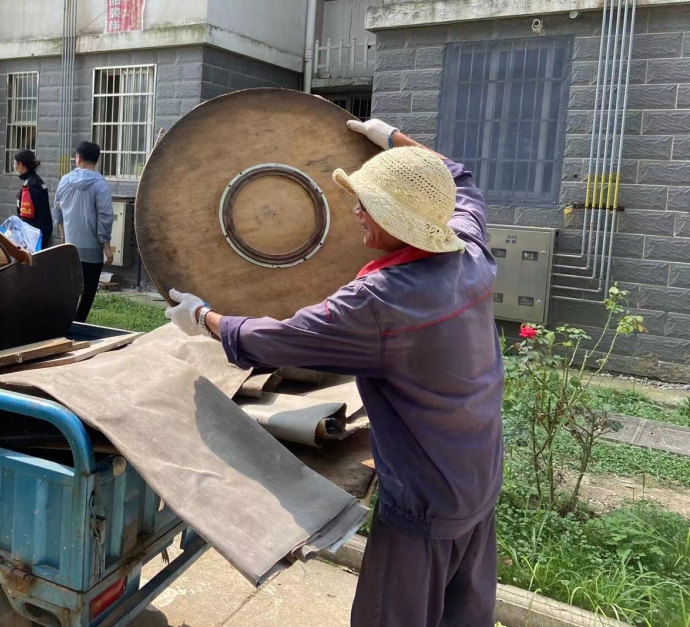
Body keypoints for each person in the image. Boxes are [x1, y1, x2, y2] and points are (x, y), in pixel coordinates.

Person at [165, 118, 504, 627]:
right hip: (478, 473)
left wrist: (204, 317)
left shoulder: (381, 301)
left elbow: (276, 340)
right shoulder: (467, 248)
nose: (355, 211)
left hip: (425, 500)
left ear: (399, 222)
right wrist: (390, 138)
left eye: (368, 204)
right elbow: (458, 177)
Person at [52, 140, 114, 322]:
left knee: (69, 290)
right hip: (92, 251)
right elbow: (105, 216)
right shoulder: (100, 184)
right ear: (97, 160)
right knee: (87, 295)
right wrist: (107, 247)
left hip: (70, 249)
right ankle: (79, 324)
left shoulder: (64, 181)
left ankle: (64, 324)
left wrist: (64, 237)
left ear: (78, 158)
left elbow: (57, 212)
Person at [14, 149, 53, 250]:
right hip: (43, 233)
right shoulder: (38, 181)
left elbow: (26, 218)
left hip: (33, 238)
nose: (14, 166)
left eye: (15, 163)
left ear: (20, 165)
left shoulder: (29, 185)